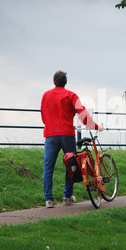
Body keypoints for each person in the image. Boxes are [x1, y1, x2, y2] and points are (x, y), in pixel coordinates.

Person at [41, 70, 103, 208]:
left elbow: (43, 115)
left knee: (48, 167)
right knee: (71, 164)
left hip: (51, 134)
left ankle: (49, 200)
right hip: (67, 134)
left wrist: (51, 126)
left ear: (53, 81)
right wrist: (96, 126)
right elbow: (82, 113)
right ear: (65, 82)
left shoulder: (46, 95)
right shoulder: (71, 95)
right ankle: (67, 197)